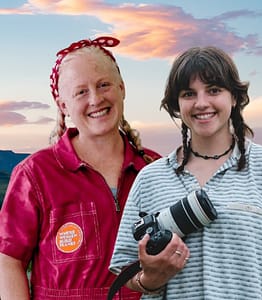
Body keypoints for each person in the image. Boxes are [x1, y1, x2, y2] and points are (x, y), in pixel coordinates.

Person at [109, 46, 262, 299]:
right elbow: (124, 265)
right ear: (177, 105)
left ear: (234, 97)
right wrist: (151, 278)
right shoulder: (150, 178)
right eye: (189, 93)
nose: (201, 103)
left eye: (214, 90)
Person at [0, 36, 160, 300]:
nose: (95, 99)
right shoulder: (35, 174)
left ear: (122, 89)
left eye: (104, 85)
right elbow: (9, 260)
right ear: (63, 105)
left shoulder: (155, 169)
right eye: (81, 92)